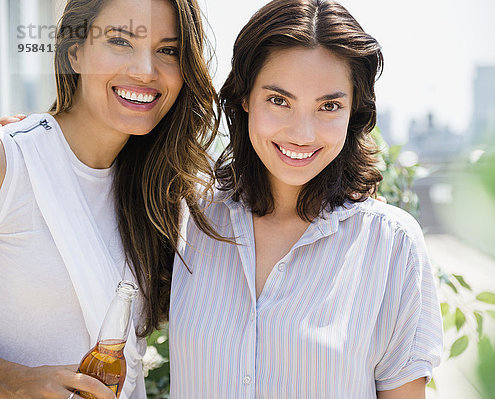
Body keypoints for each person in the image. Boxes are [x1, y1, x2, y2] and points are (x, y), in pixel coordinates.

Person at [169, 0, 443, 397]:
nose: (302, 133)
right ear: (245, 98)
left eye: (328, 106)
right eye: (279, 100)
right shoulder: (191, 219)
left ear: (353, 113)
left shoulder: (391, 244)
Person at [0, 0, 223, 397]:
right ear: (75, 54)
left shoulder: (164, 196)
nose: (145, 71)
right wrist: (11, 380)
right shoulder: (12, 162)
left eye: (168, 51)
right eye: (120, 41)